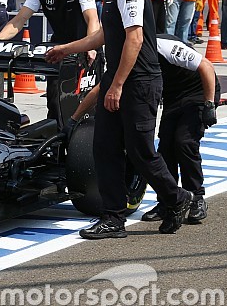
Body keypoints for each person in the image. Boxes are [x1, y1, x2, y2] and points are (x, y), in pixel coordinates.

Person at [45, 0, 193, 239]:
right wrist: (66, 48)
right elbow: (102, 37)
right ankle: (113, 217)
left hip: (138, 82)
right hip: (120, 80)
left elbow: (135, 38)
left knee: (140, 151)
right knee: (104, 147)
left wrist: (117, 85)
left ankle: (177, 198)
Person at [68, 34, 218, 225]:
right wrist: (74, 119)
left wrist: (209, 104)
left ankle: (196, 197)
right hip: (173, 97)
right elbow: (102, 88)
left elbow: (206, 66)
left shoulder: (163, 46)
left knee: (184, 142)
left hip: (200, 92)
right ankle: (168, 201)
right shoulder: (125, 56)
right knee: (164, 148)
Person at [0, 0, 99, 123]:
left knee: (87, 102)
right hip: (58, 48)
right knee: (55, 102)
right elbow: (18, 21)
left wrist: (92, 47)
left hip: (86, 46)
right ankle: (56, 143)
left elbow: (92, 19)